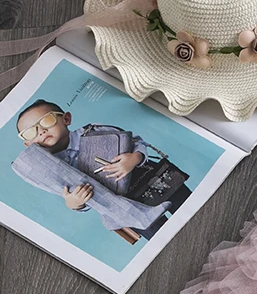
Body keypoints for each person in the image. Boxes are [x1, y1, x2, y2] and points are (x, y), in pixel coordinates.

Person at [15, 98, 191, 239]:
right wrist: (74, 204)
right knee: (162, 238)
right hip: (124, 206)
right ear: (28, 145)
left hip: (151, 179)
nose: (41, 131)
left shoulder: (93, 131)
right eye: (30, 132)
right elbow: (85, 198)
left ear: (66, 119)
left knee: (188, 207)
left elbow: (136, 141)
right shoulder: (51, 171)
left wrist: (134, 158)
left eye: (47, 121)